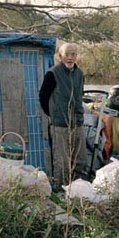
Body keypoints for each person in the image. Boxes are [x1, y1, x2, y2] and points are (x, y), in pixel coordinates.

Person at [39, 42, 87, 186]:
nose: (70, 58)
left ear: (76, 56)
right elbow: (43, 97)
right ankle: (61, 192)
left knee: (80, 160)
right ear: (60, 56)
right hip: (60, 125)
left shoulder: (80, 74)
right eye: (67, 54)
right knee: (62, 162)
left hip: (77, 123)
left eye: (73, 54)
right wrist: (54, 115)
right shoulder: (52, 74)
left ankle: (79, 191)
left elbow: (80, 95)